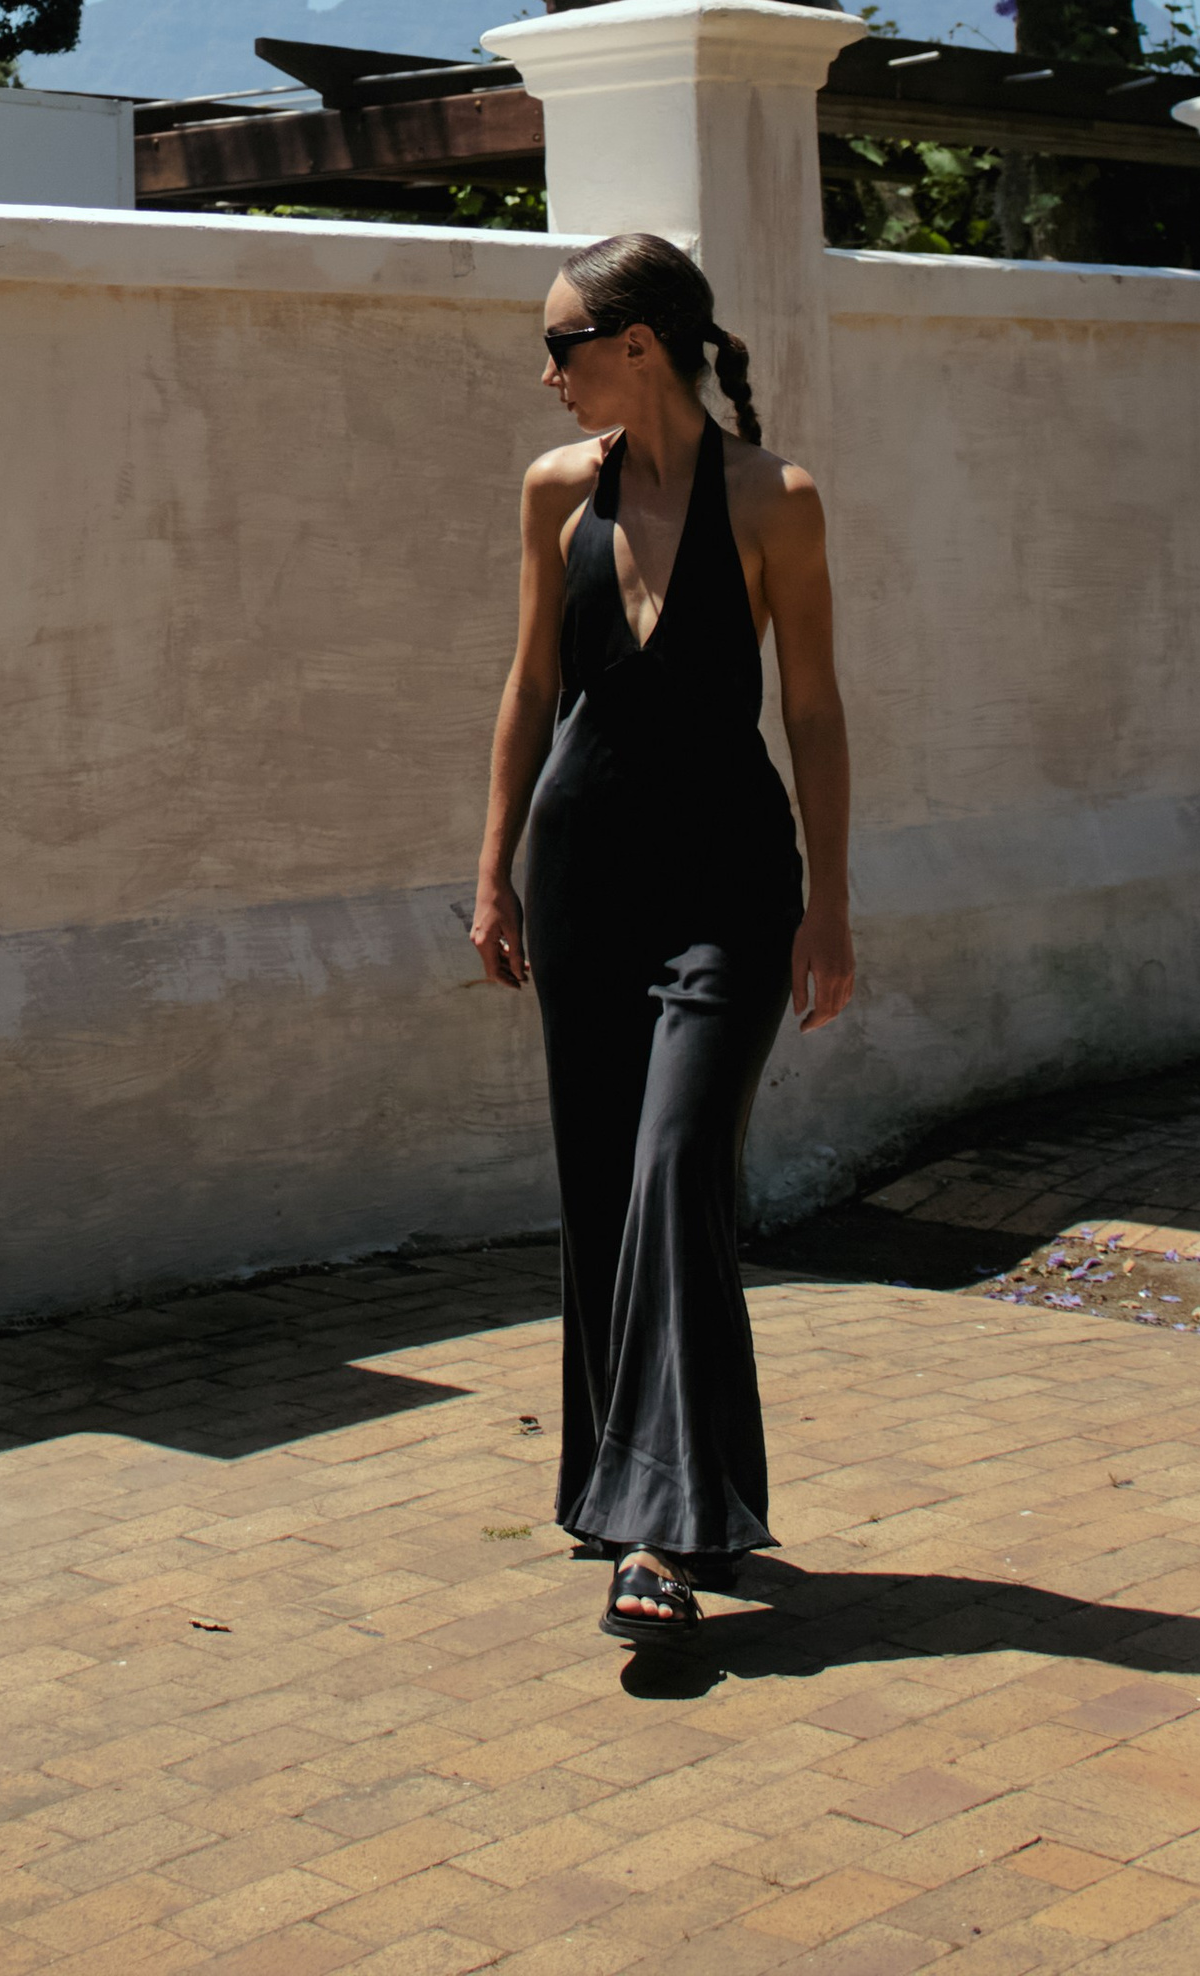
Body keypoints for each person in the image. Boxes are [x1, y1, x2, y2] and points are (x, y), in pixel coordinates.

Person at [468, 230, 854, 1646]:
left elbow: (811, 709)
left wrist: (833, 899)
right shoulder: (555, 492)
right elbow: (528, 687)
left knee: (679, 1173)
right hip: (581, 877)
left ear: (639, 344)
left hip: (730, 888)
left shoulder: (777, 501)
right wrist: (493, 872)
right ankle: (632, 1484)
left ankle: (654, 1531)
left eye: (564, 344)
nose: (548, 373)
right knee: (600, 1190)